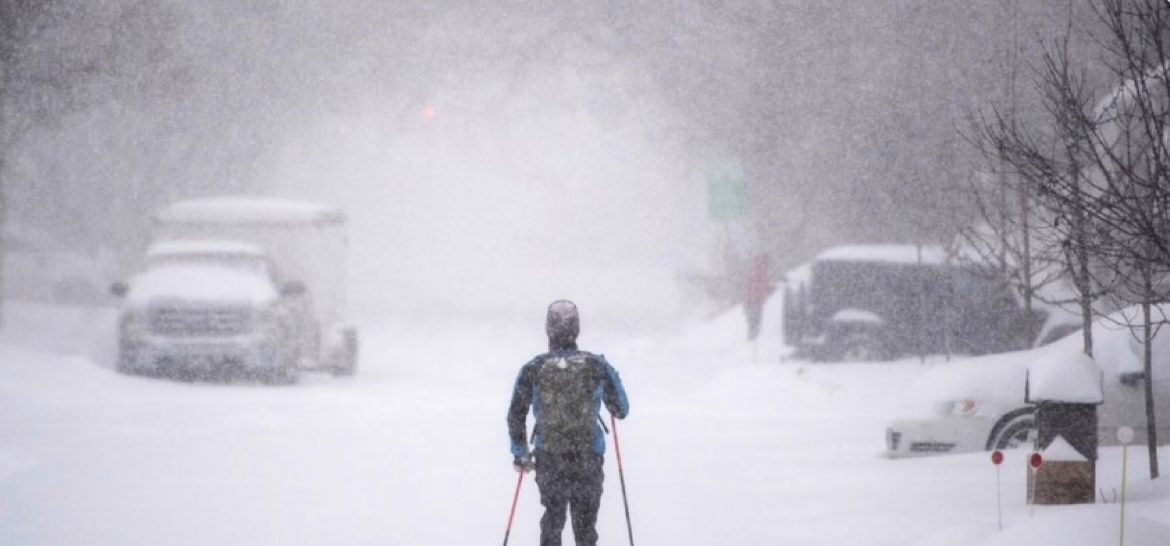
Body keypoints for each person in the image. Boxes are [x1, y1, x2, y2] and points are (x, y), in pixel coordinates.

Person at [507, 300, 630, 546]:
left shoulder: (534, 368)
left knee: (552, 520)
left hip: (549, 458)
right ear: (577, 329)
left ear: (548, 330)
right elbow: (621, 409)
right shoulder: (596, 365)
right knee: (585, 528)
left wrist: (521, 454)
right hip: (588, 458)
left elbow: (516, 415)